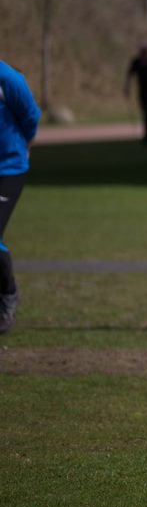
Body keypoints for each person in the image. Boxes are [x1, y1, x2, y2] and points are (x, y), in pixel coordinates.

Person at [0, 59, 40, 335]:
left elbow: (31, 116)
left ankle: (8, 294)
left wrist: (23, 146)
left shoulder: (7, 78)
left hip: (8, 168)